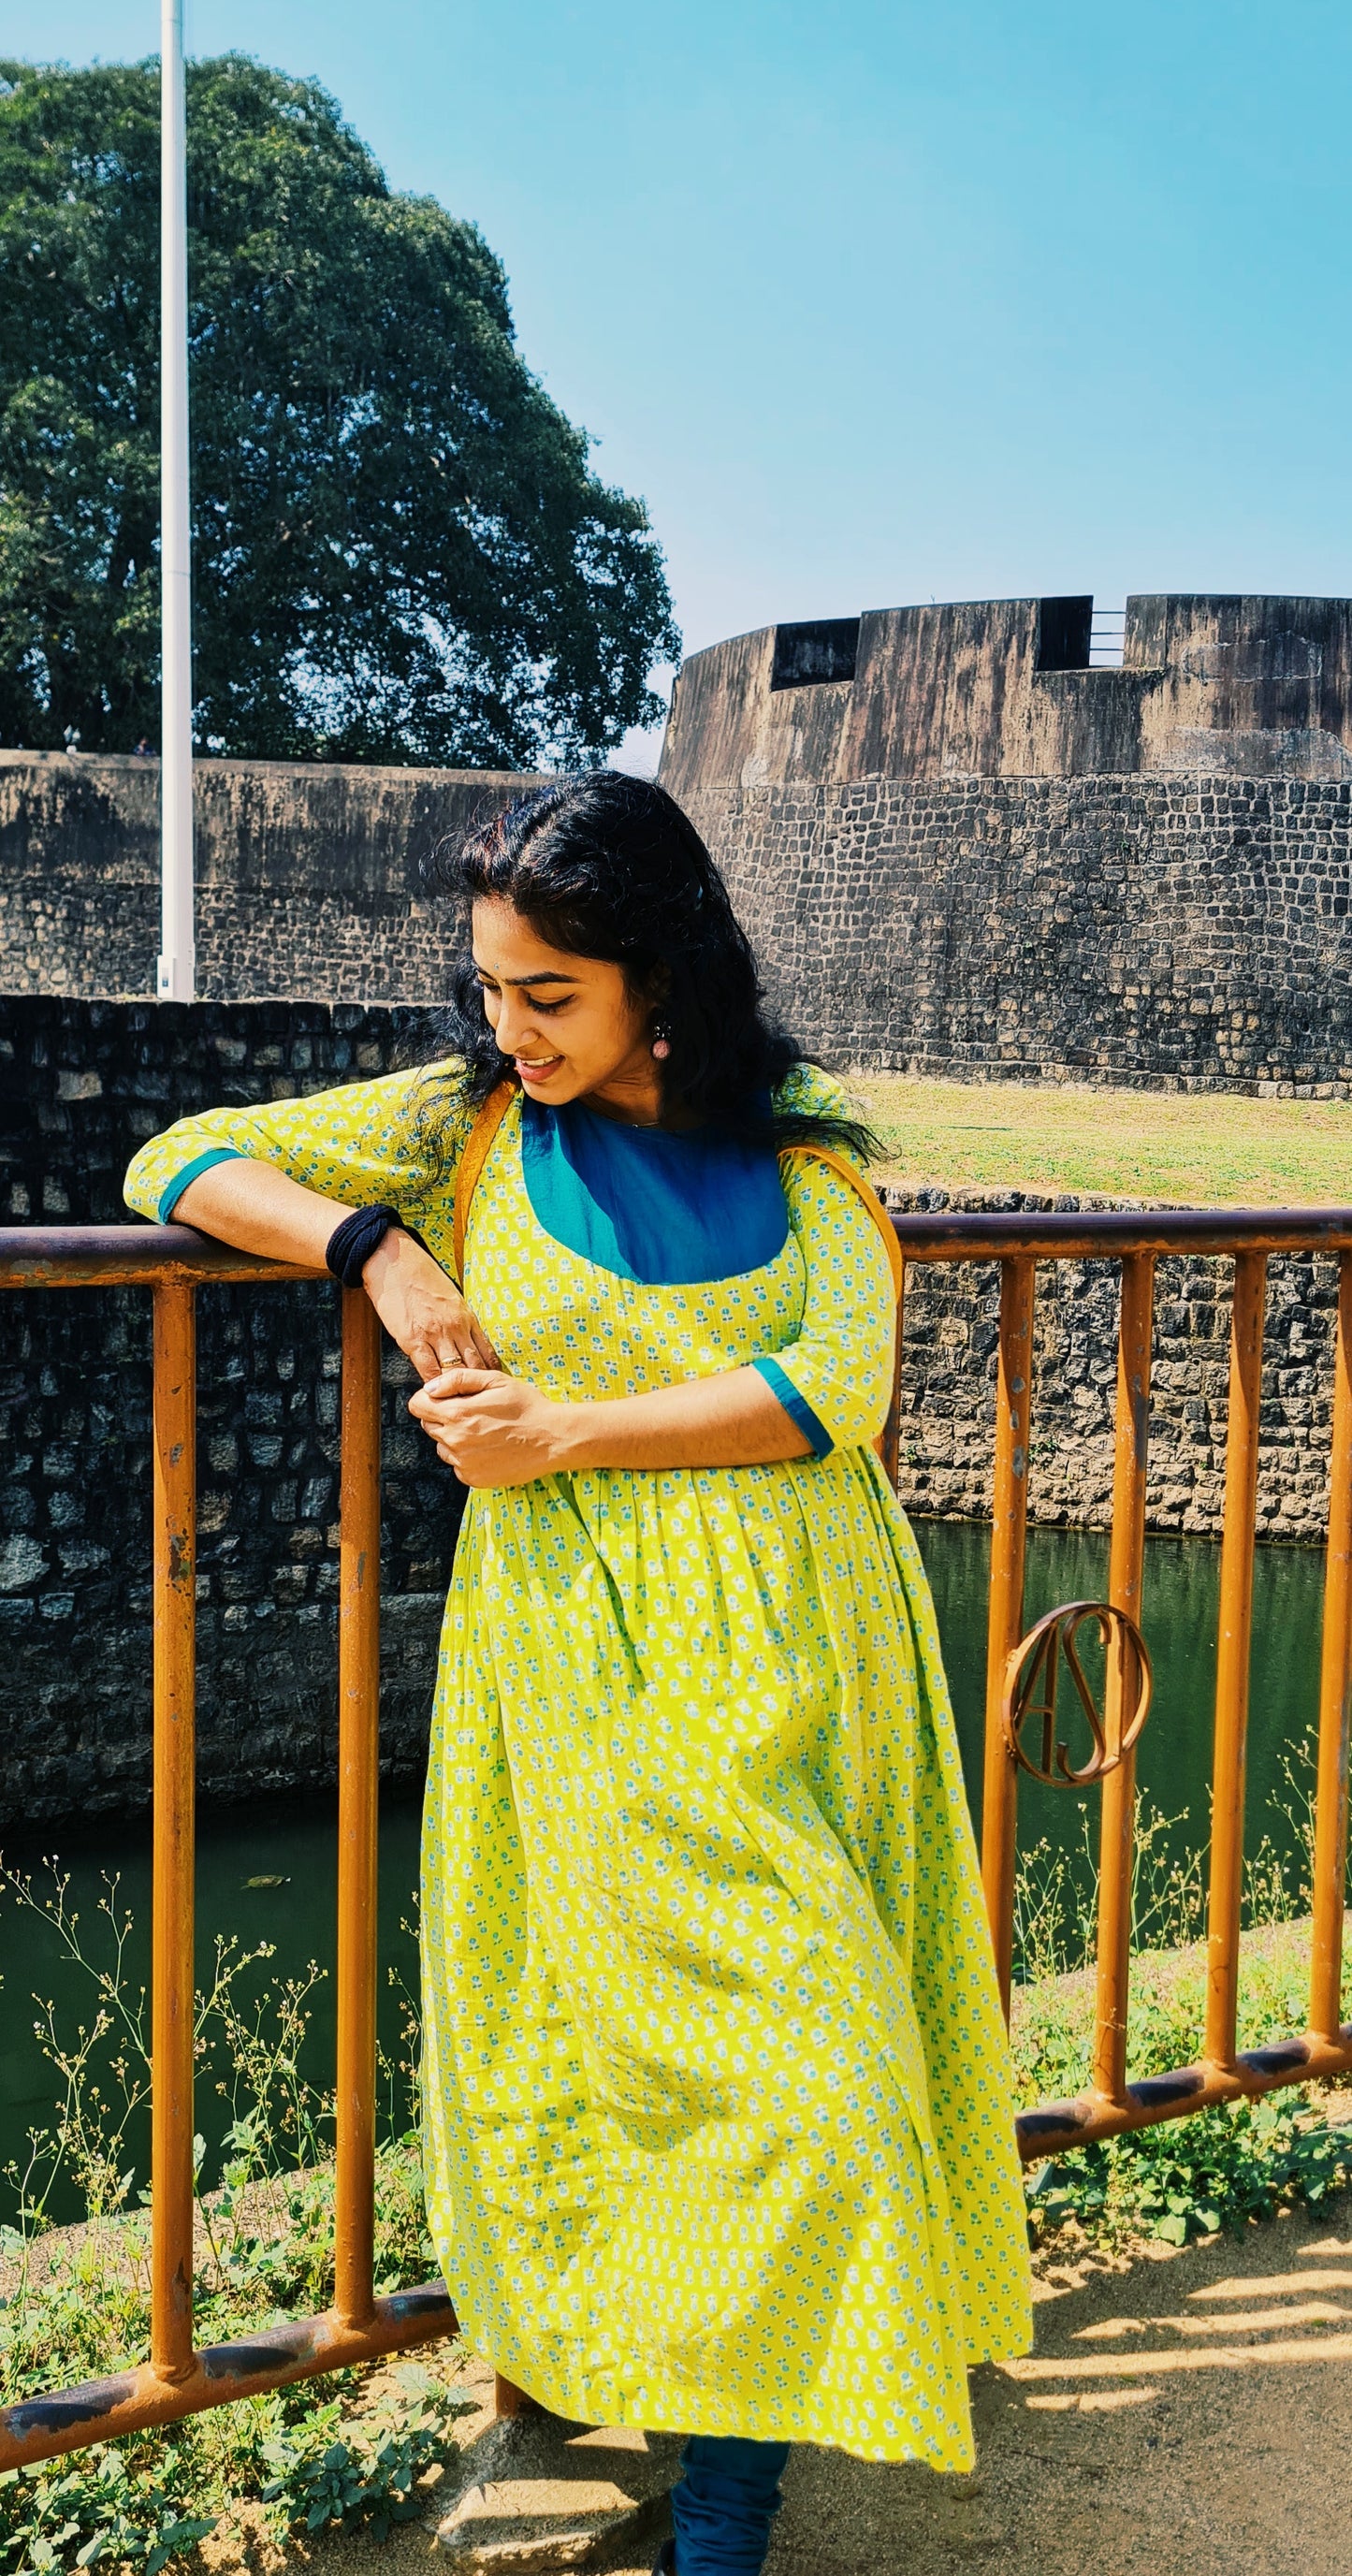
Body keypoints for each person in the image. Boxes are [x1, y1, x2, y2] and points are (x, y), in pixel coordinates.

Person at [124, 776, 1031, 2574]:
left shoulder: (799, 1154)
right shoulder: (460, 1127)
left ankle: (729, 2482)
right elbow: (180, 1156)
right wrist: (374, 1249)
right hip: (579, 1679)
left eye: (550, 993)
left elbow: (831, 1388)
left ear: (660, 971)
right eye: (491, 987)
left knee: (816, 2069)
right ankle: (659, 2449)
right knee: (605, 2053)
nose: (509, 1027)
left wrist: (566, 1428)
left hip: (812, 1669)